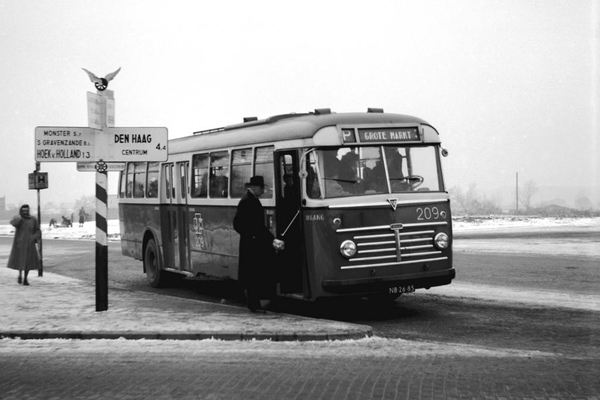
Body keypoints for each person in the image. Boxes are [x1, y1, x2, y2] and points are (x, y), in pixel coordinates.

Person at [233, 176, 284, 313]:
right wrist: (256, 236)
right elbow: (241, 224)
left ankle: (255, 303)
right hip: (253, 244)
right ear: (255, 188)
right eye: (262, 188)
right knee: (254, 274)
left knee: (253, 274)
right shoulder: (248, 202)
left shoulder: (250, 200)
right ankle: (256, 304)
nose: (263, 191)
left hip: (252, 243)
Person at [7, 204, 41, 286]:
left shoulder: (33, 219)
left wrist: (34, 237)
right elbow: (13, 223)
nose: (25, 212)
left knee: (28, 262)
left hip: (30, 244)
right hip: (20, 244)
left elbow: (37, 230)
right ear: (21, 211)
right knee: (20, 261)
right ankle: (20, 274)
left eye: (27, 210)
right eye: (24, 211)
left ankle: (25, 278)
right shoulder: (19, 219)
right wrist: (19, 217)